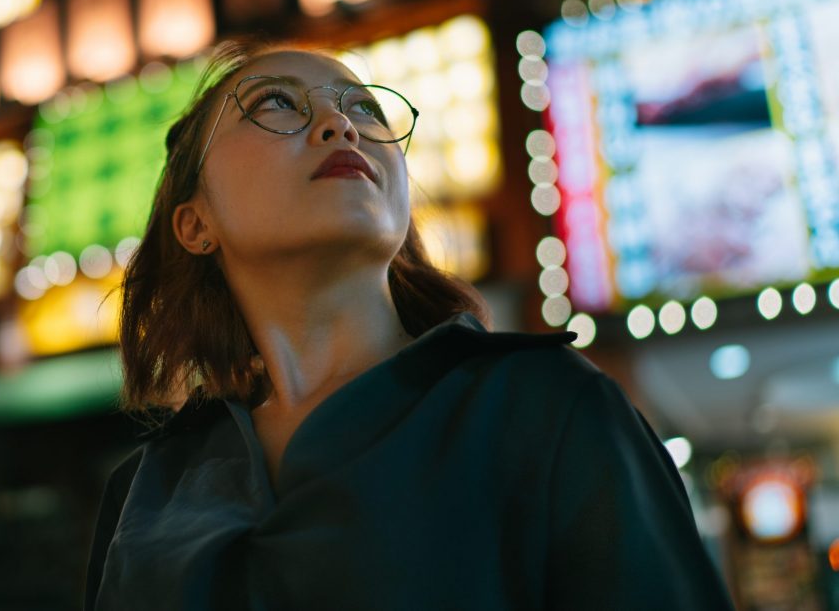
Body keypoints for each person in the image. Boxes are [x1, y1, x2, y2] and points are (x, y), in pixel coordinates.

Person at [83, 40, 735, 610]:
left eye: (364, 107)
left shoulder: (544, 404)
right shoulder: (144, 492)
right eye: (276, 103)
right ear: (195, 223)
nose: (341, 123)